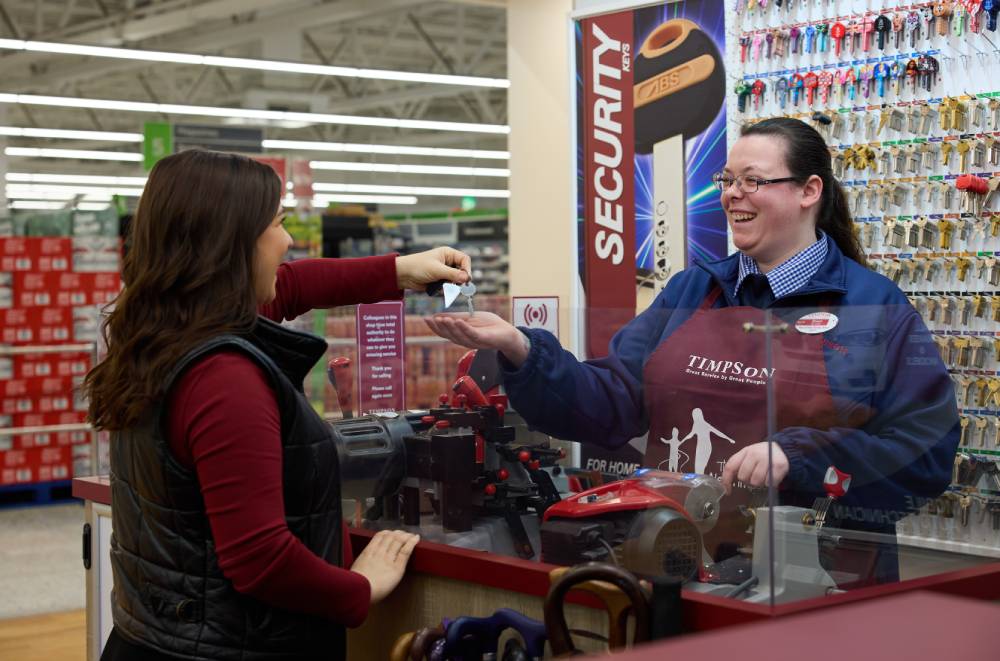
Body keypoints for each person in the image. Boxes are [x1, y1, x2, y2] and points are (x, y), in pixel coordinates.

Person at [427, 117, 959, 586]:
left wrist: (801, 458)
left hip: (819, 583)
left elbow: (924, 452)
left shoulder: (872, 308)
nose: (732, 195)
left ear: (808, 191)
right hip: (678, 563)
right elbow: (611, 400)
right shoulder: (692, 290)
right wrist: (522, 348)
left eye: (753, 181)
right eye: (727, 180)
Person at [84, 149, 472, 661]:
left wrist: (400, 270)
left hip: (155, 637)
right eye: (277, 224)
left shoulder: (158, 331)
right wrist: (359, 587)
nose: (287, 241)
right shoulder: (223, 380)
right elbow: (260, 558)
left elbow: (290, 286)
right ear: (231, 245)